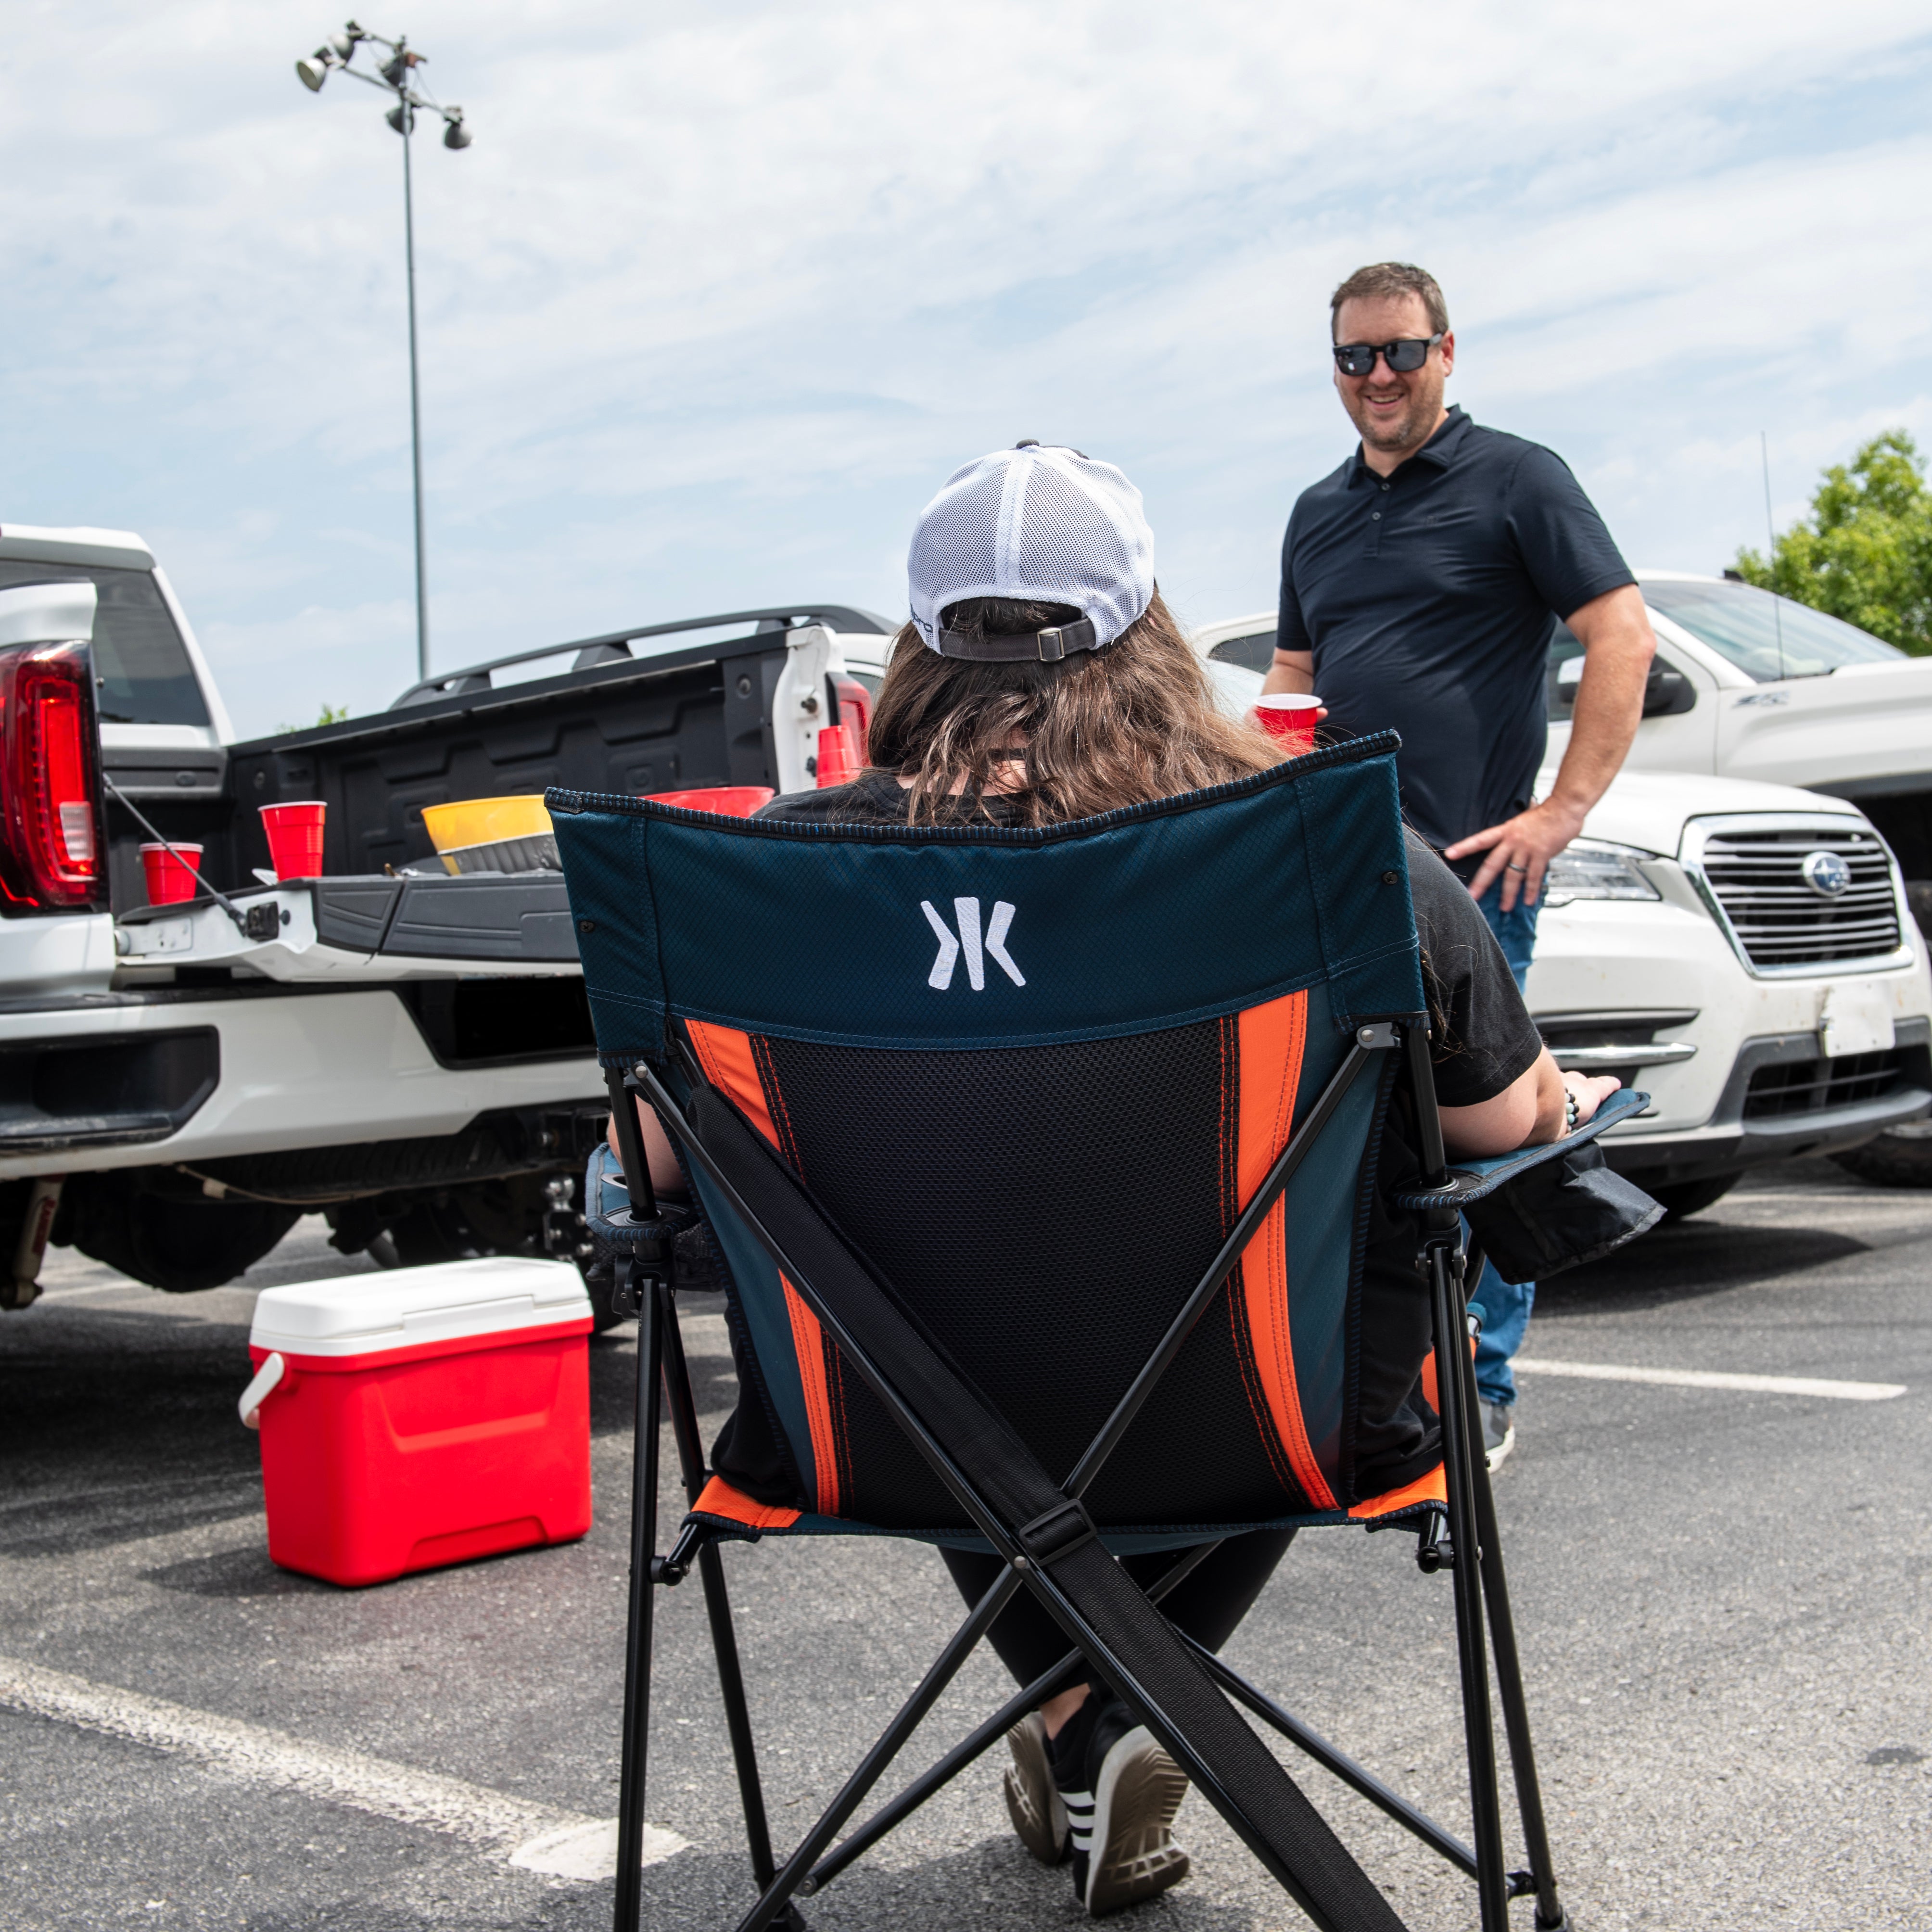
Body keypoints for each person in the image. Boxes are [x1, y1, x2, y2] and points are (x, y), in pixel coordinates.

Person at [617, 442, 1618, 1916]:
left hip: (878, 1429)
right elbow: (1502, 1123)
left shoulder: (784, 883)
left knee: (943, 1327)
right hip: (1269, 1416)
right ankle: (1120, 1708)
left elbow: (649, 1157)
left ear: (915, 644)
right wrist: (1569, 1096)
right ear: (1149, 632)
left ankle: (1085, 1716)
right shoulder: (1318, 856)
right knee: (1276, 1279)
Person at [1265, 262, 1656, 1468]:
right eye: (1353, 358)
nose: (1377, 377)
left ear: (1446, 350)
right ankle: (1379, 1395)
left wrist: (1561, 812)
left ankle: (1479, 1386)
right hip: (1339, 877)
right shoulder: (1314, 513)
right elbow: (1292, 677)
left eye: (1398, 352)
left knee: (1485, 1140)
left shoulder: (1518, 480)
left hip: (1478, 881)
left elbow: (1619, 631)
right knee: (1359, 1145)